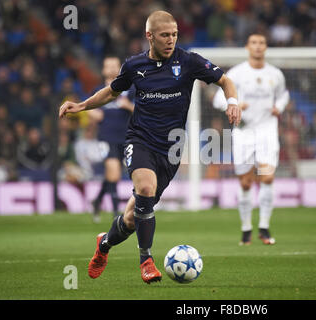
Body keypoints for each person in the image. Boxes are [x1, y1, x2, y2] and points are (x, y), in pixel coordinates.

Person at [59, 10, 241, 284]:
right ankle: (146, 260)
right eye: (165, 35)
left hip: (171, 151)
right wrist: (82, 105)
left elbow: (225, 80)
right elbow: (111, 92)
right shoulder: (134, 65)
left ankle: (104, 244)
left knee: (132, 218)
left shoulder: (188, 60)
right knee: (145, 189)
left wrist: (233, 102)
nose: (171, 40)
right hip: (140, 139)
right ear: (150, 36)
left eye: (174, 35)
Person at [212, 33, 289, 246]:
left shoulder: (275, 74)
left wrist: (279, 107)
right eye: (254, 43)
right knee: (246, 183)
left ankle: (264, 227)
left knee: (267, 178)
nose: (258, 46)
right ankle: (246, 228)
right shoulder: (236, 73)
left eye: (262, 43)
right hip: (244, 133)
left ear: (265, 47)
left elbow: (284, 95)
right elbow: (219, 97)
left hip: (266, 131)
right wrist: (234, 104)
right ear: (247, 47)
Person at [88, 56, 134, 223]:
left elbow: (142, 110)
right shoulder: (99, 90)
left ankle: (97, 200)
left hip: (127, 137)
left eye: (115, 65)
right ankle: (116, 213)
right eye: (109, 66)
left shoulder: (130, 90)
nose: (112, 69)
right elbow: (87, 108)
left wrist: (128, 105)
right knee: (113, 172)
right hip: (106, 138)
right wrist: (93, 113)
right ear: (103, 70)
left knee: (112, 175)